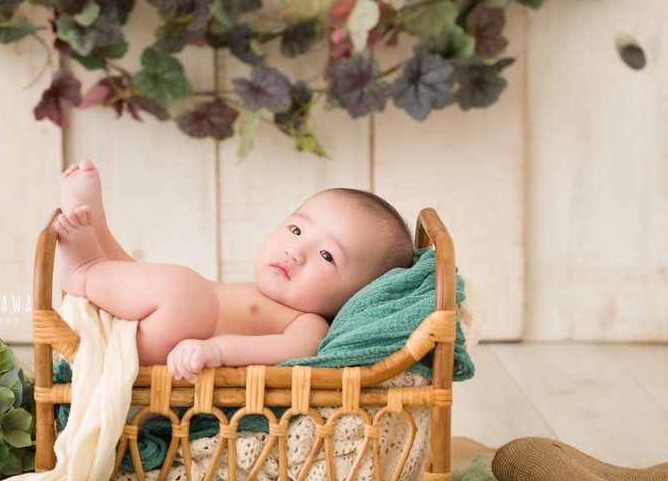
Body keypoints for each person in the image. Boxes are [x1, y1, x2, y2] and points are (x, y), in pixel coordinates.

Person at [53, 159, 414, 381]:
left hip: (173, 349)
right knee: (166, 282)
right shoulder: (249, 292)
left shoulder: (309, 325)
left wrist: (217, 352)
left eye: (326, 255)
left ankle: (85, 272)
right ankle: (99, 234)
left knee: (187, 291)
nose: (296, 251)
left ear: (357, 296)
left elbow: (285, 353)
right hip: (160, 322)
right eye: (296, 230)